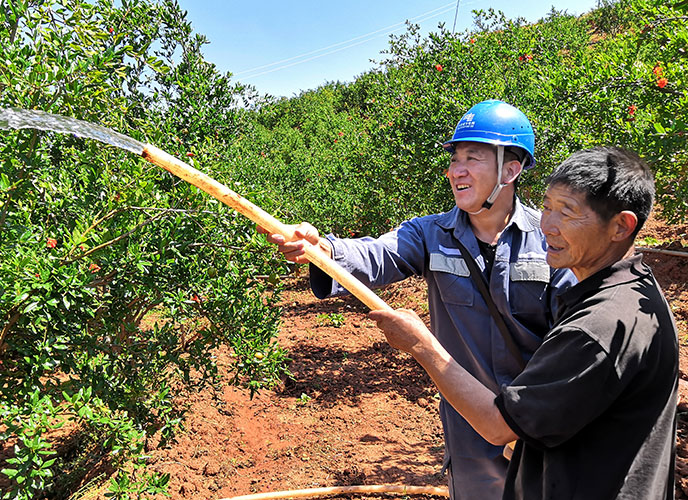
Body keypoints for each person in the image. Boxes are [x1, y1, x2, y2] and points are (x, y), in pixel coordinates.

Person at [260, 100, 576, 499]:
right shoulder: (430, 234)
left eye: (472, 158)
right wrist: (321, 247)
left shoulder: (552, 241)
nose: (455, 170)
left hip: (541, 432)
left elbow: (571, 342)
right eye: (454, 159)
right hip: (471, 434)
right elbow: (376, 255)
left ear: (511, 170)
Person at [371, 147, 678, 499]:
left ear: (620, 226)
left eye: (568, 212)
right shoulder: (637, 290)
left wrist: (421, 345)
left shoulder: (597, 329)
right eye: (547, 206)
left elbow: (497, 425)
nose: (548, 225)